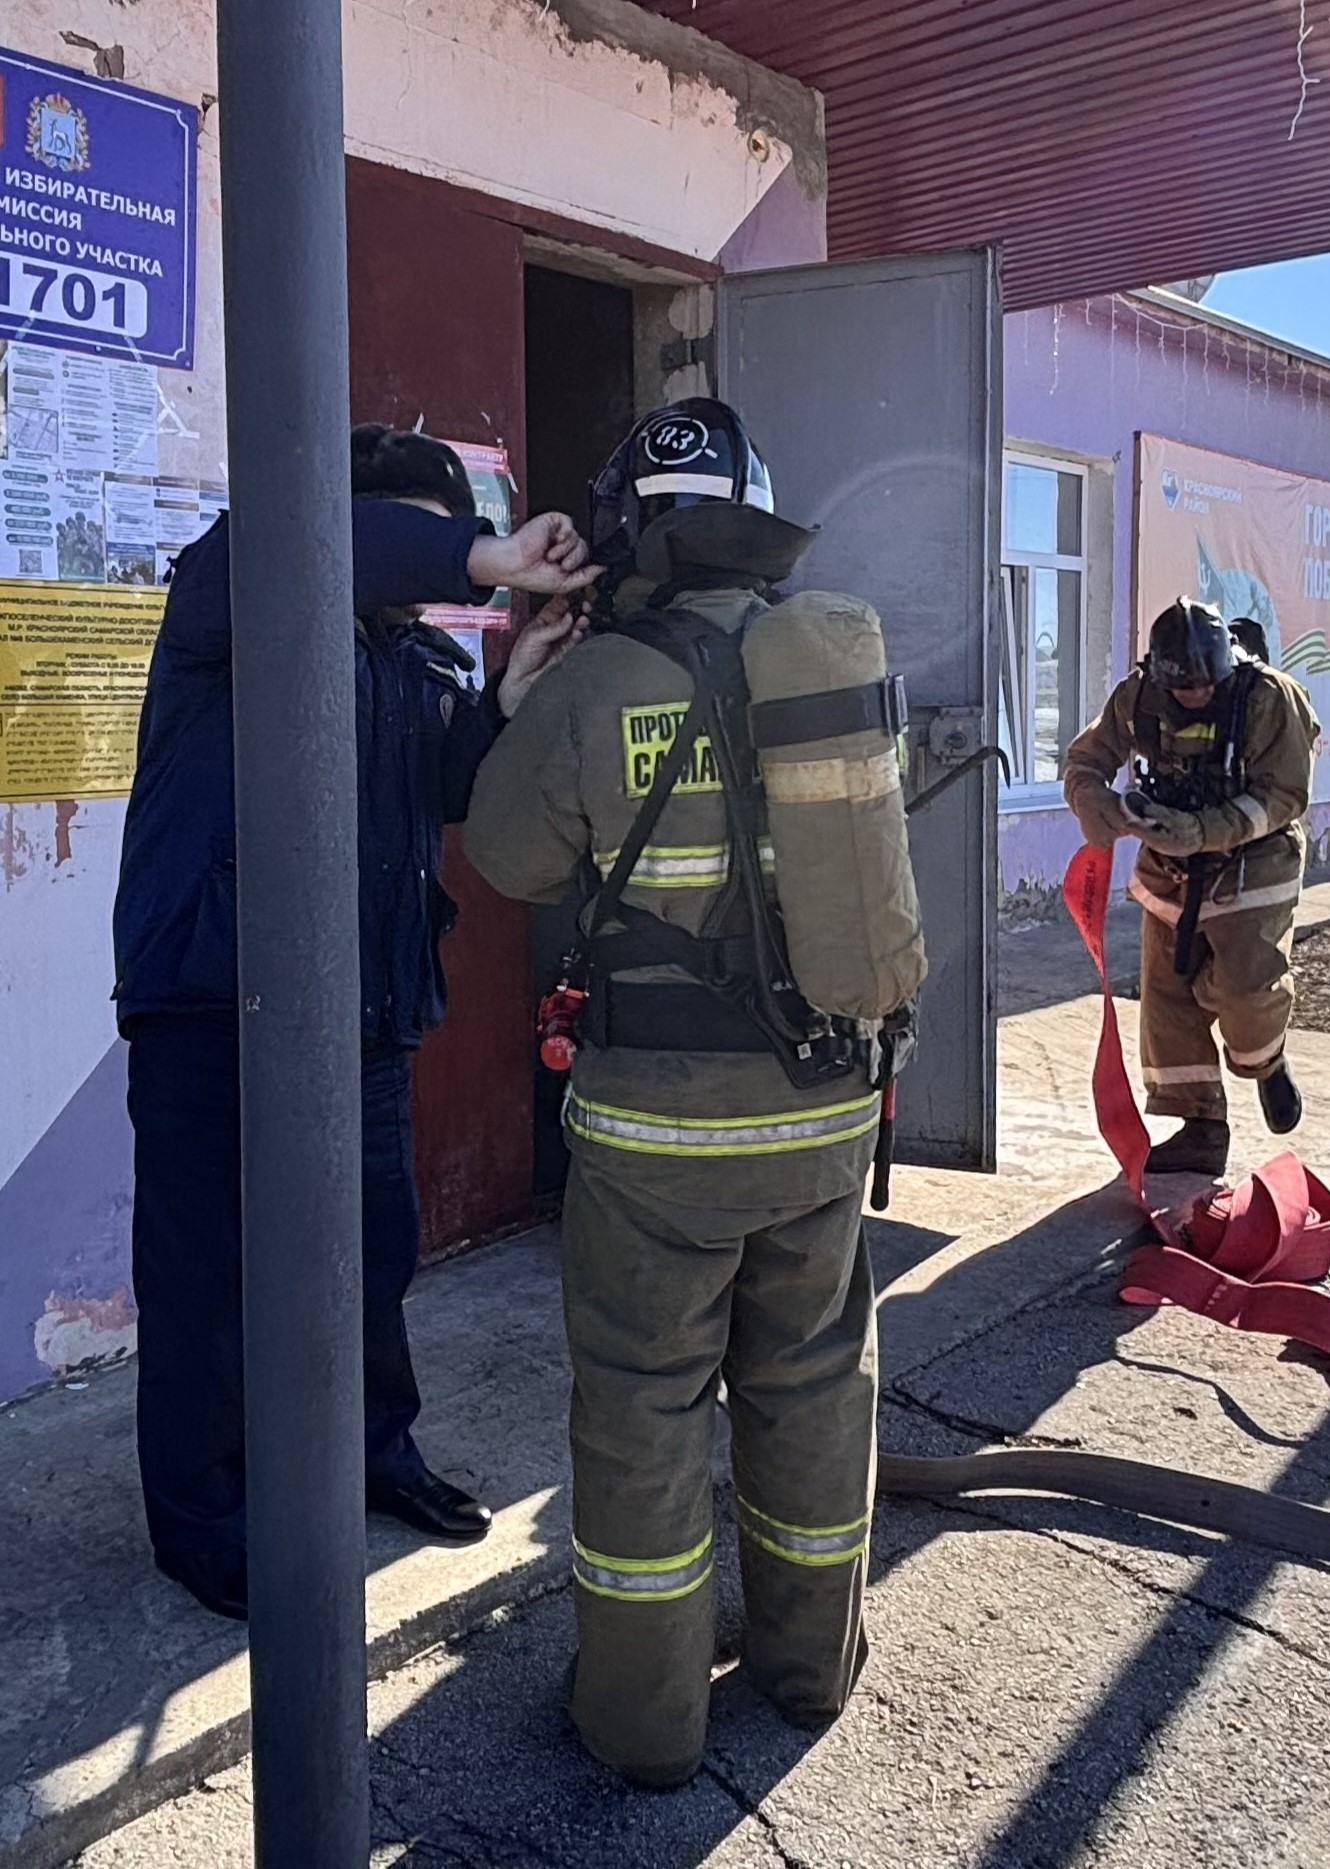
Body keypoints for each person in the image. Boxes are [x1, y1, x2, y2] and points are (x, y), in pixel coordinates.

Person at [461, 397, 924, 1788]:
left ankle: (643, 1724)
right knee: (812, 1390)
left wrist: (525, 696)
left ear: (629, 532)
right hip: (821, 1113)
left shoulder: (599, 679)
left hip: (653, 1138)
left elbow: (506, 859)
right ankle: (807, 1670)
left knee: (642, 1415)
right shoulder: (821, 667)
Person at [111, 425, 597, 1621]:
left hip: (364, 1011)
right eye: (409, 540)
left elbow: (442, 792)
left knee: (371, 1256)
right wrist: (486, 553)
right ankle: (204, 1520)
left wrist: (507, 696)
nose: (427, 569)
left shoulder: (417, 660)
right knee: (205, 1278)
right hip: (212, 1005)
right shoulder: (234, 600)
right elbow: (310, 545)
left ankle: (375, 1453)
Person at [1063, 598, 1321, 1176]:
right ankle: (1200, 1129)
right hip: (1170, 867)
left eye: (1207, 686)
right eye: (1183, 689)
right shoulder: (1138, 696)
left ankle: (1266, 1062)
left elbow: (1285, 795)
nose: (1196, 696)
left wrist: (1205, 830)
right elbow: (1085, 760)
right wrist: (1093, 801)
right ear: (1159, 674)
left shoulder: (1269, 698)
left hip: (1254, 860)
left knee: (1246, 990)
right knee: (1167, 996)